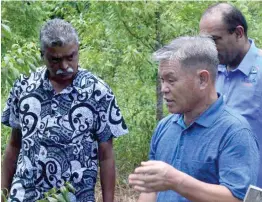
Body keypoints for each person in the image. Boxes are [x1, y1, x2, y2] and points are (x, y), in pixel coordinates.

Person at [1, 18, 128, 202]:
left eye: (71, 57)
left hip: (75, 197)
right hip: (25, 196)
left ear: (78, 50)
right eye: (55, 60)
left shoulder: (98, 92)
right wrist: (3, 194)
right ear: (42, 55)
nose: (65, 66)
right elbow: (14, 145)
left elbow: (106, 155)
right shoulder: (24, 87)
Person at [128, 36, 259, 202]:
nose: (163, 89)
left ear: (203, 79)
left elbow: (237, 198)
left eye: (171, 80)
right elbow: (150, 191)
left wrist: (175, 180)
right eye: (162, 80)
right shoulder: (165, 127)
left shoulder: (235, 132)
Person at [199, 2, 262, 187]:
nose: (209, 48)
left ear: (239, 33)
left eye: (215, 40)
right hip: (215, 188)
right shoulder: (208, 72)